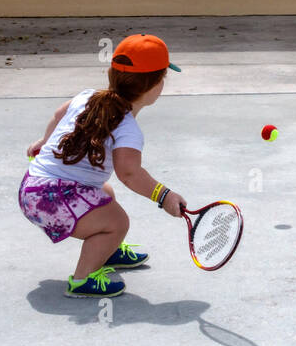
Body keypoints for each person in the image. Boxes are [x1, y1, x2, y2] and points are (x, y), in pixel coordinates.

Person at [19, 34, 189, 297]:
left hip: (31, 189)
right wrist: (163, 195)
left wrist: (44, 141)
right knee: (117, 222)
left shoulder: (88, 96)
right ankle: (82, 280)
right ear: (154, 85)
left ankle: (106, 251)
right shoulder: (128, 128)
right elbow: (129, 173)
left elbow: (58, 116)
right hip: (51, 202)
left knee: (104, 193)